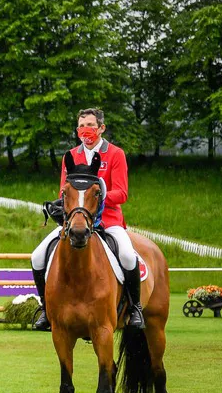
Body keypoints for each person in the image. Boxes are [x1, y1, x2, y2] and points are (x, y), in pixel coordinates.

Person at [31, 108, 143, 331]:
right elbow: (65, 191)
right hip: (76, 222)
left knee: (129, 256)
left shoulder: (115, 154)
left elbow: (122, 193)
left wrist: (96, 196)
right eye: (81, 126)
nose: (85, 130)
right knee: (37, 257)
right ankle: (46, 309)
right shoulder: (70, 156)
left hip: (108, 220)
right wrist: (60, 204)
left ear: (101, 128)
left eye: (91, 125)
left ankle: (135, 308)